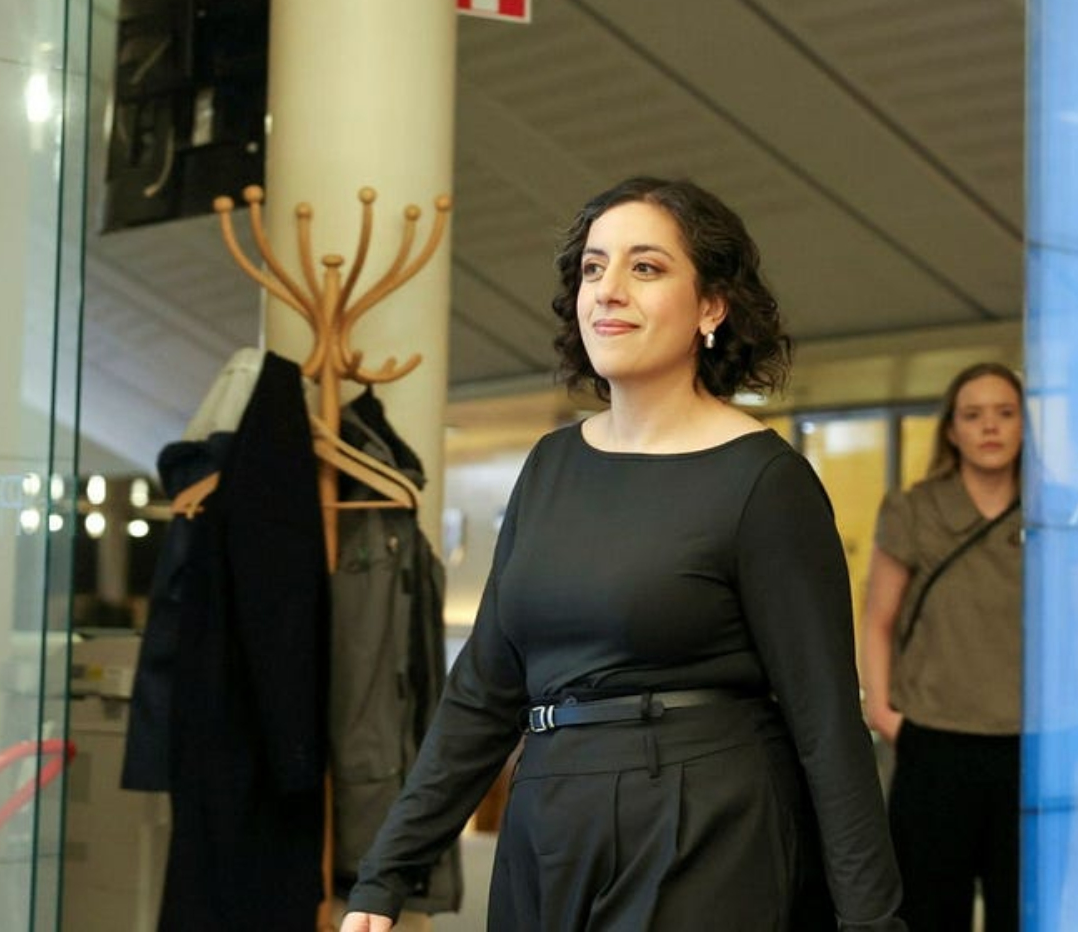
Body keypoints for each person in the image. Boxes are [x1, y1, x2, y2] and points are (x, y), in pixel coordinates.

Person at [339, 177, 904, 931]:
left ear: (711, 307)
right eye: (593, 268)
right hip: (549, 820)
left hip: (704, 825)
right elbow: (483, 691)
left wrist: (872, 923)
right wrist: (384, 875)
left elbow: (825, 719)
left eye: (646, 267)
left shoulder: (764, 480)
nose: (608, 290)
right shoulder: (551, 466)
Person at [860, 362, 1026, 932]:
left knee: (1023, 910)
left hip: (1029, 744)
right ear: (952, 430)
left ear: (1024, 425)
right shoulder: (914, 510)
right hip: (933, 741)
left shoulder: (1053, 511)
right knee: (929, 913)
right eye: (973, 415)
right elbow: (877, 619)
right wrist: (882, 712)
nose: (990, 427)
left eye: (1005, 413)